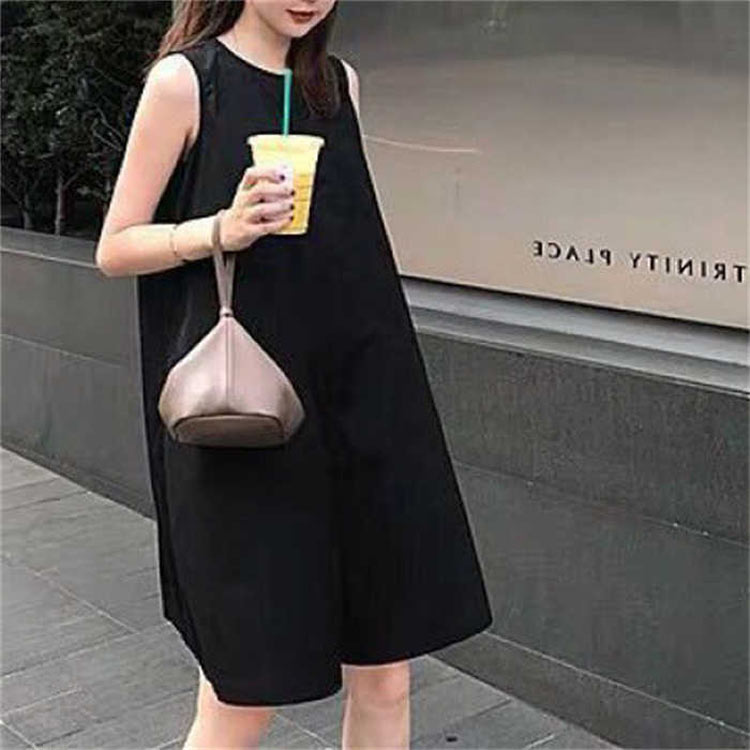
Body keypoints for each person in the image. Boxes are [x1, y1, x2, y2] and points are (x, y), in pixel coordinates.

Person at [95, 0, 493, 747]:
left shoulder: (338, 85)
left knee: (387, 675)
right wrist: (219, 229)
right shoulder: (188, 82)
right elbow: (115, 247)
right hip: (248, 422)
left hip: (365, 404)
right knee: (245, 691)